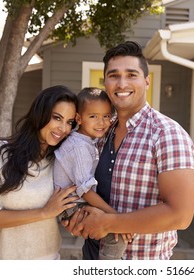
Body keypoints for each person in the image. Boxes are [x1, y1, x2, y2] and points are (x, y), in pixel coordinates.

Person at [65, 41, 194, 260]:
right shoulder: (101, 130)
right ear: (105, 82)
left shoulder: (166, 134)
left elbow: (180, 215)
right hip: (91, 254)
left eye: (131, 74)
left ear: (146, 81)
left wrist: (108, 223)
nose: (121, 83)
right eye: (114, 75)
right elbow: (79, 180)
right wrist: (76, 221)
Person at [0, 85, 79, 260]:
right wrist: (44, 212)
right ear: (40, 114)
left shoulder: (61, 162)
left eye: (70, 122)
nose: (64, 128)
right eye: (57, 118)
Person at [53, 87, 128, 260]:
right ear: (79, 118)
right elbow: (85, 190)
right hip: (72, 206)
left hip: (78, 201)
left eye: (106, 116)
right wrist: (114, 217)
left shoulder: (87, 139)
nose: (101, 123)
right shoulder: (78, 147)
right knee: (116, 235)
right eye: (93, 116)